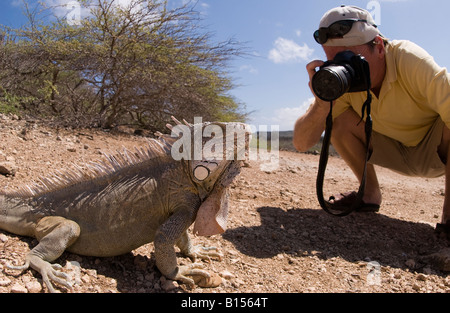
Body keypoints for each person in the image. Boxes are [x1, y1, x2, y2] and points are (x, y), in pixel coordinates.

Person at [293, 5, 450, 232]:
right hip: (392, 150)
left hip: (437, 151)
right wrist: (322, 104)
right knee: (336, 120)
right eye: (335, 61)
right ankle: (368, 195)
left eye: (351, 59)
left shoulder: (407, 58)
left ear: (378, 46)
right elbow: (301, 143)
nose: (344, 69)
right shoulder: (343, 84)